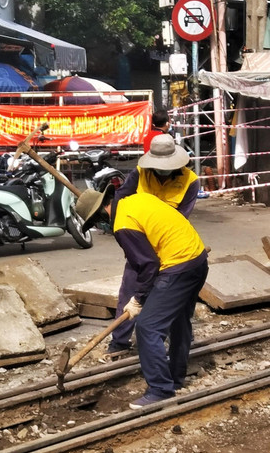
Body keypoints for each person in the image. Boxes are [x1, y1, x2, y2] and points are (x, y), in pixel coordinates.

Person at [74, 184, 208, 409]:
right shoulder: (134, 201)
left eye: (96, 222)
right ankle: (175, 378)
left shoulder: (123, 224)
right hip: (197, 259)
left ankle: (160, 390)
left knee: (148, 327)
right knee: (179, 321)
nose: (100, 226)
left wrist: (138, 299)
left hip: (178, 266)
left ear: (100, 212)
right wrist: (143, 294)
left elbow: (148, 265)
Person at [104, 134, 202, 360]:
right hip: (140, 243)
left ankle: (177, 340)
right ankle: (119, 341)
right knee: (130, 291)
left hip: (170, 247)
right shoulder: (140, 173)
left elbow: (180, 219)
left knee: (173, 297)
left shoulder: (190, 181)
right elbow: (121, 199)